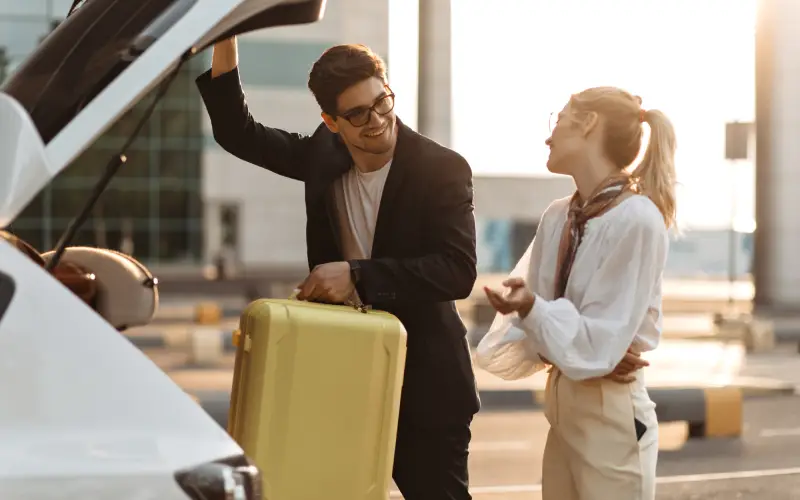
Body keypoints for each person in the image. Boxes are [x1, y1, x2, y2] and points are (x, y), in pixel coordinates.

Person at [196, 39, 479, 499]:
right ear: (330, 121)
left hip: (427, 385)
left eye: (382, 102)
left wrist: (356, 276)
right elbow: (236, 132)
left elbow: (457, 270)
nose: (378, 120)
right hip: (345, 377)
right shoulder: (321, 157)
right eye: (358, 115)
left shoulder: (441, 169)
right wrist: (226, 35)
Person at [475, 87, 676, 500]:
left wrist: (537, 314)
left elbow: (595, 342)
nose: (549, 136)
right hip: (564, 409)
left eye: (560, 119)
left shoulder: (637, 218)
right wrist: (549, 328)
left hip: (613, 415)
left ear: (588, 124)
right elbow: (562, 339)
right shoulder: (558, 215)